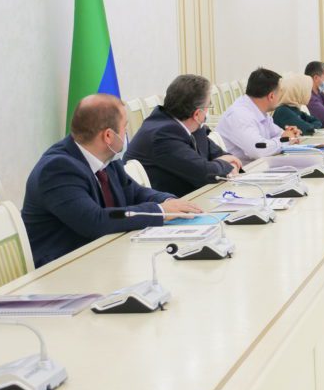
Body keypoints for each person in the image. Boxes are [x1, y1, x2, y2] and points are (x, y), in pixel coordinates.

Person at [22, 94, 203, 267]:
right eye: (125, 127)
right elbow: (95, 221)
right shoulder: (57, 169)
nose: (127, 134)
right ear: (108, 136)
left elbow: (135, 192)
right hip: (63, 269)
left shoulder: (106, 157)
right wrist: (160, 211)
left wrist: (168, 202)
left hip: (105, 256)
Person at [125, 74, 243, 197]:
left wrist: (228, 163)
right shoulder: (162, 135)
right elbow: (205, 174)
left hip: (194, 195)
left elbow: (218, 154)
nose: (208, 110)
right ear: (197, 114)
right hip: (171, 202)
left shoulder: (191, 126)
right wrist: (226, 165)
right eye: (209, 105)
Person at [216, 67, 301, 162]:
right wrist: (286, 140)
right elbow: (259, 151)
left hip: (258, 166)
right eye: (280, 92)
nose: (281, 96)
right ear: (271, 96)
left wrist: (290, 134)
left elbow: (277, 134)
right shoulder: (240, 115)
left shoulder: (259, 111)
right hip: (243, 169)